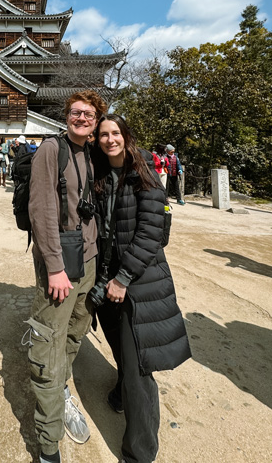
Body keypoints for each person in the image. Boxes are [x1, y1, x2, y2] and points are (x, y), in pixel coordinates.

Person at [92, 115, 191, 463]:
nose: (109, 139)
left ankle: (139, 452)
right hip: (106, 279)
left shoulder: (144, 171)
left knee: (138, 369)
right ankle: (120, 393)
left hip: (138, 283)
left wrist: (123, 278)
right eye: (103, 135)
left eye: (115, 133)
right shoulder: (100, 173)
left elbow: (151, 233)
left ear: (126, 136)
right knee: (120, 346)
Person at [25, 90, 106, 463]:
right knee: (48, 345)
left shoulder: (90, 154)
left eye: (88, 114)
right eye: (75, 112)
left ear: (97, 120)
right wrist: (54, 267)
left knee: (74, 333)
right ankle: (48, 443)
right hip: (62, 265)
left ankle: (61, 391)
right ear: (66, 115)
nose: (81, 118)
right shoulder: (50, 150)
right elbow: (40, 208)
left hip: (88, 262)